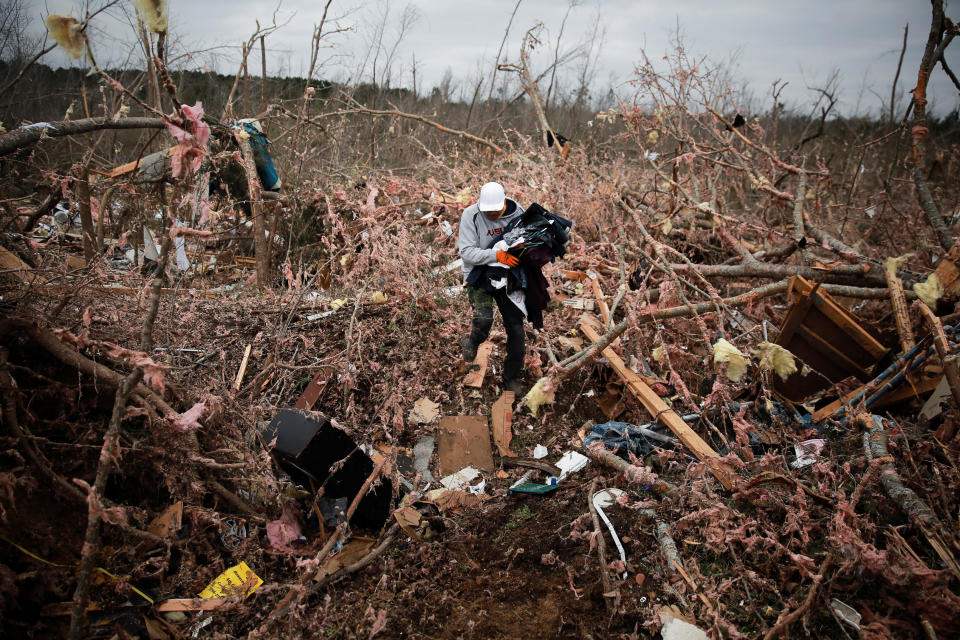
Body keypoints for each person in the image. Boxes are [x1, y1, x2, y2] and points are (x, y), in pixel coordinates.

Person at [458, 182, 526, 394]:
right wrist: (495, 255)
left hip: (507, 277)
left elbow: (527, 241)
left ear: (504, 203)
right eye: (489, 212)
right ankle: (471, 343)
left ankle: (512, 376)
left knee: (515, 327)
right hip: (478, 276)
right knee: (483, 320)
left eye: (496, 212)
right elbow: (467, 252)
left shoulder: (518, 212)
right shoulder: (471, 215)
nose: (493, 216)